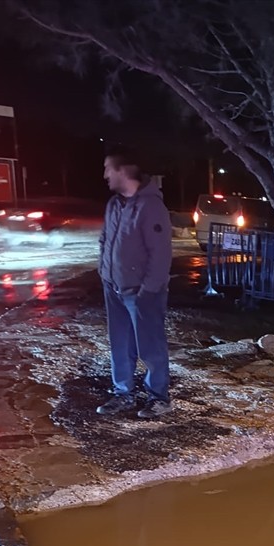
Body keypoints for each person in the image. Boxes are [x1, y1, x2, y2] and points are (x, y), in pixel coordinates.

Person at [95, 150, 174, 419]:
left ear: (123, 170)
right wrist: (105, 273)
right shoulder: (113, 205)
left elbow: (161, 253)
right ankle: (123, 394)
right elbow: (105, 240)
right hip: (114, 288)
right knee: (120, 344)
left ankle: (159, 398)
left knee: (150, 346)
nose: (105, 174)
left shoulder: (151, 207)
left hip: (142, 293)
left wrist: (148, 289)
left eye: (108, 168)